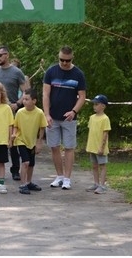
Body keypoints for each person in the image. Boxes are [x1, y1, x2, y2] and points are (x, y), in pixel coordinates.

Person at [43, 45, 87, 190]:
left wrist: (73, 111)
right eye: (62, 60)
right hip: (53, 117)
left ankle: (67, 178)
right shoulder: (51, 71)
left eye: (67, 61)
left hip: (69, 118)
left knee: (69, 147)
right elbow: (46, 94)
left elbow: (82, 97)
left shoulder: (78, 74)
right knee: (54, 146)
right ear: (58, 58)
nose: (64, 63)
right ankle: (59, 176)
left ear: (72, 59)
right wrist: (46, 114)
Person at [0, 46, 28, 181]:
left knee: (12, 140)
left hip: (12, 110)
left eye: (0, 55)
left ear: (7, 55)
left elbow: (26, 91)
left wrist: (18, 104)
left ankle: (15, 169)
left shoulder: (17, 72)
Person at [13, 89, 47, 195]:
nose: (24, 101)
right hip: (21, 140)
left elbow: (42, 128)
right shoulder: (20, 112)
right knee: (26, 162)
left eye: (27, 99)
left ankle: (28, 182)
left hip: (32, 141)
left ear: (34, 101)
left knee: (31, 164)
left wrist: (39, 142)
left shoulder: (39, 113)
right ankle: (22, 184)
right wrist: (14, 135)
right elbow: (15, 126)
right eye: (23, 99)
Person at [86, 94, 110, 194]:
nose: (94, 106)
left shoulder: (105, 118)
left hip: (100, 148)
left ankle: (102, 185)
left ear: (103, 106)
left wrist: (101, 147)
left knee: (102, 165)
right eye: (94, 104)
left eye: (97, 104)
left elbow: (105, 134)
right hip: (92, 146)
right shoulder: (91, 117)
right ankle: (96, 183)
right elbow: (91, 131)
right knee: (94, 165)